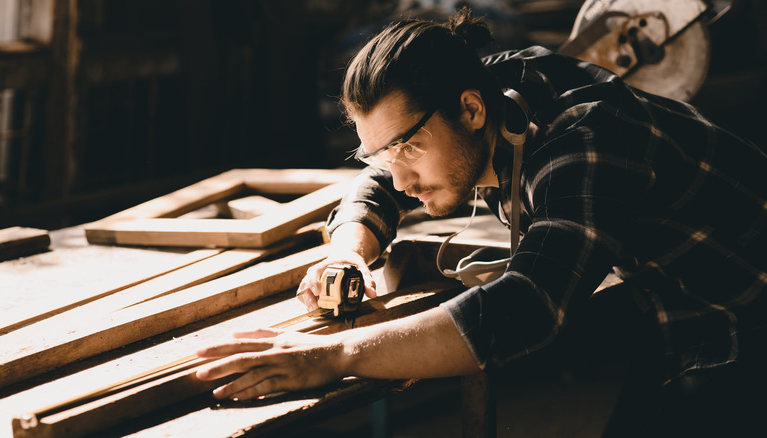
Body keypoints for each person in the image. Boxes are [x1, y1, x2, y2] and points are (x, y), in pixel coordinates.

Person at [196, 8, 767, 436]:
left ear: (471, 110)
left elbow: (528, 306)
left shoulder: (584, 141)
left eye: (409, 149)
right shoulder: (489, 87)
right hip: (684, 304)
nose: (400, 180)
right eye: (382, 154)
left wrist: (333, 356)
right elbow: (379, 184)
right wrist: (347, 251)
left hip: (746, 316)